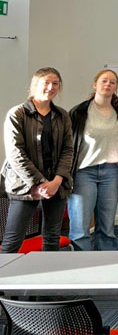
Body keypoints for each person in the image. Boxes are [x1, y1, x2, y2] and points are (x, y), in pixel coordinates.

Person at [1, 67, 73, 253]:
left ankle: (48, 279)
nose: (50, 87)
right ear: (35, 85)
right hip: (25, 185)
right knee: (12, 241)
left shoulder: (62, 115)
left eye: (55, 83)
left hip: (56, 184)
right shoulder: (17, 114)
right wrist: (40, 183)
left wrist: (56, 181)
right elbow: (16, 154)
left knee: (51, 238)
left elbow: (68, 150)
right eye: (46, 83)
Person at [68, 69, 118, 251]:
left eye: (112, 82)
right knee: (80, 228)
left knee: (106, 228)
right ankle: (80, 269)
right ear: (95, 84)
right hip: (84, 172)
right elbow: (68, 146)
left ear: (116, 87)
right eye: (104, 81)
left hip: (112, 173)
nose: (108, 85)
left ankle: (106, 268)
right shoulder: (79, 112)